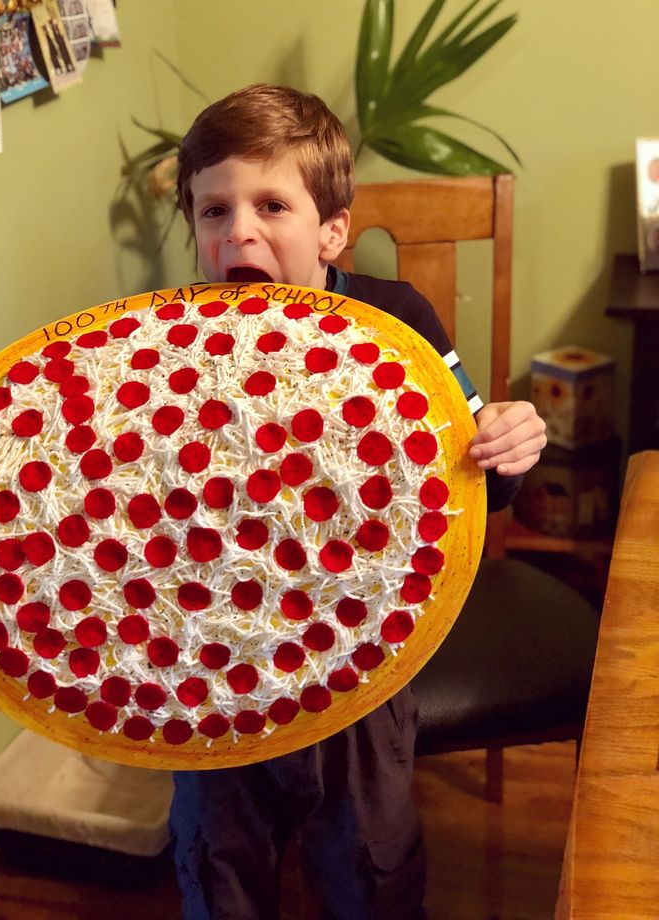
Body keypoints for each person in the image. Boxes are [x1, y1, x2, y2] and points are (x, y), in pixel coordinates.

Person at [169, 83, 546, 920]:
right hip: (211, 645)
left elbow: (474, 470)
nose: (239, 232)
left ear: (333, 228)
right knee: (216, 852)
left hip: (362, 643)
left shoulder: (396, 319)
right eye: (212, 211)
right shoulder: (175, 344)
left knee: (365, 851)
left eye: (271, 204)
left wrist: (509, 445)